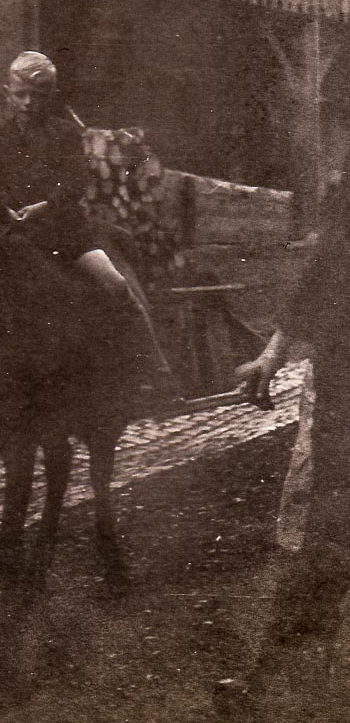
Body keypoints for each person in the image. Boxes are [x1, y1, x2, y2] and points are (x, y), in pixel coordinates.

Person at [0, 50, 171, 385]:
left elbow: (74, 184)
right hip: (13, 233)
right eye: (20, 94)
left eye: (37, 96)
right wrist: (1, 207)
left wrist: (41, 207)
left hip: (64, 231)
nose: (27, 103)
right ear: (7, 93)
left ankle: (153, 369)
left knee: (116, 284)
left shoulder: (66, 134)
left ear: (50, 97)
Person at [218, 178, 350, 709]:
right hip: (346, 382)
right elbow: (326, 272)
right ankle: (280, 679)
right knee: (327, 527)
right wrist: (273, 355)